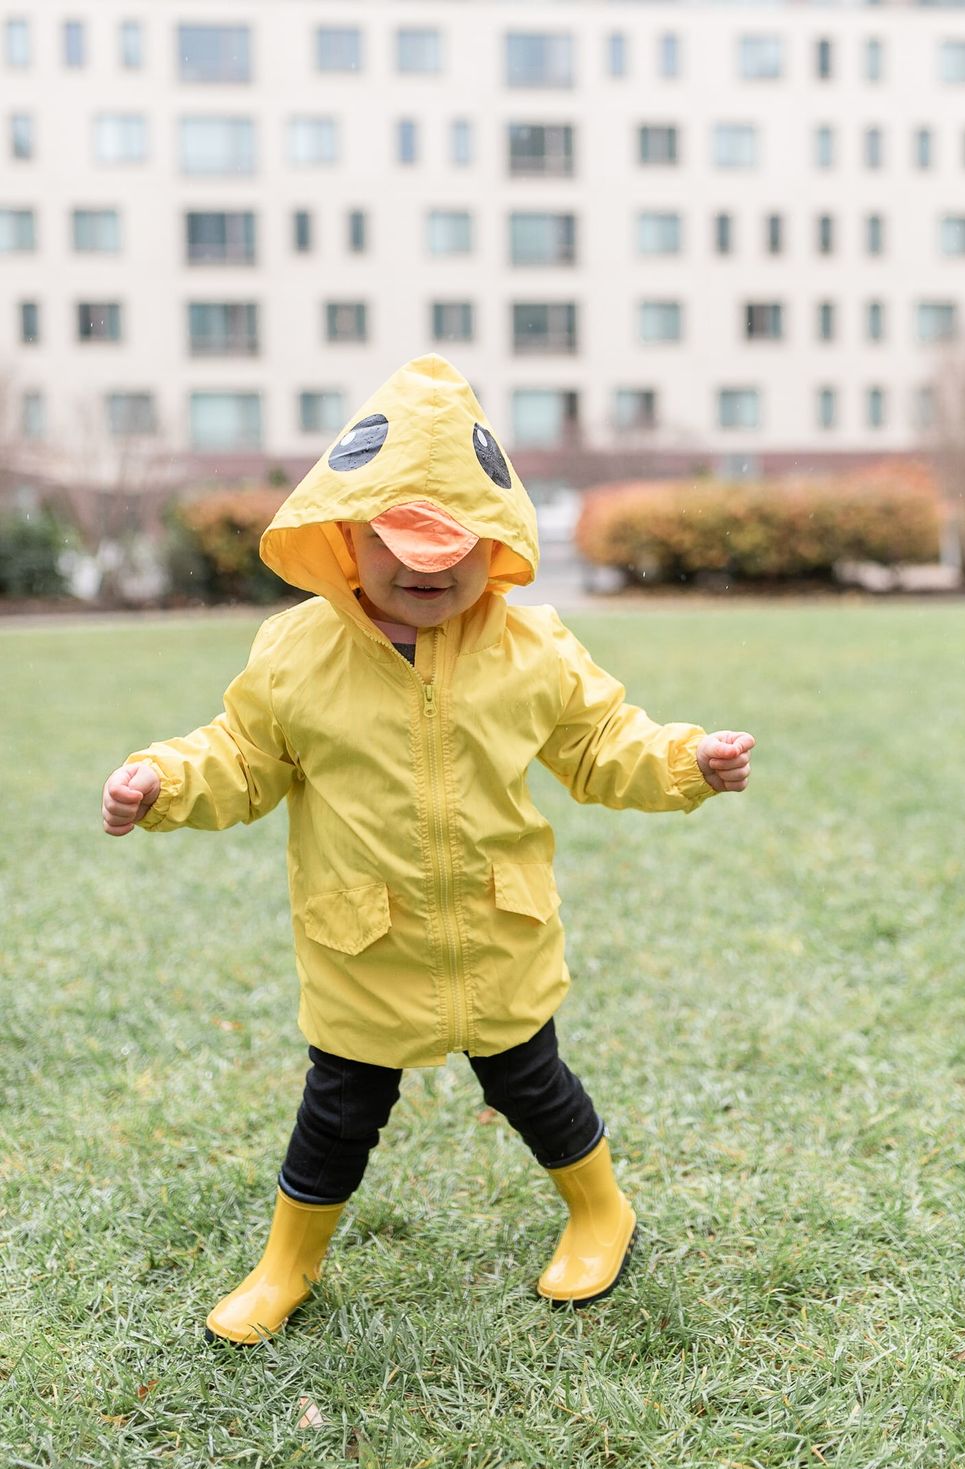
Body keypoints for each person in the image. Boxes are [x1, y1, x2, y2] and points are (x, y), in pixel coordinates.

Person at [102, 354, 754, 1345]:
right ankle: (287, 1261)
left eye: (455, 553)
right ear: (345, 535)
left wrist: (687, 761)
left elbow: (600, 743)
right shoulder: (298, 652)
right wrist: (161, 781)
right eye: (400, 549)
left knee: (532, 1082)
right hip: (364, 940)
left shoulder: (532, 649)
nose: (429, 573)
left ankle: (600, 1211)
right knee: (339, 1109)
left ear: (495, 543)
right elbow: (240, 756)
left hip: (497, 928)